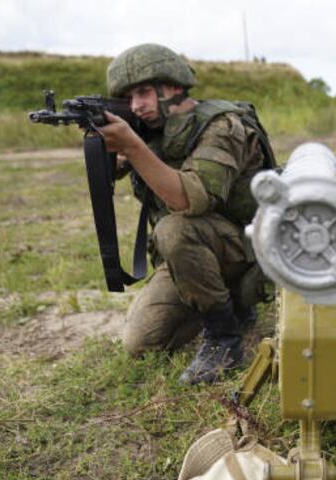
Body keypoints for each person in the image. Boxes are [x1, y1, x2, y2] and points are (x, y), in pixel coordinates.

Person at [98, 43, 275, 385]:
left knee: (173, 229)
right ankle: (230, 306)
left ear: (174, 85)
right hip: (192, 256)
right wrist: (111, 151)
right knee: (142, 344)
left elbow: (191, 199)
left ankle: (224, 339)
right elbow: (116, 172)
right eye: (129, 98)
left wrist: (133, 148)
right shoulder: (155, 132)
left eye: (144, 92)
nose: (137, 105)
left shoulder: (223, 126)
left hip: (245, 247)